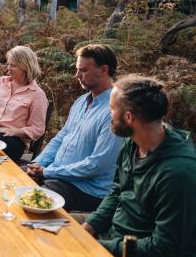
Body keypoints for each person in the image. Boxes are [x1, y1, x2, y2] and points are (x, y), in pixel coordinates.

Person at [82, 75, 196, 256]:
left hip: (133, 249)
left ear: (129, 117)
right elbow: (117, 191)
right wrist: (92, 224)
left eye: (111, 108)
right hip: (113, 231)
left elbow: (165, 247)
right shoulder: (132, 143)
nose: (108, 113)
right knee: (46, 229)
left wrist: (101, 247)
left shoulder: (177, 174)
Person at [26, 44, 123, 212]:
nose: (77, 75)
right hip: (57, 176)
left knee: (31, 201)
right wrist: (37, 164)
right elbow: (60, 138)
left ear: (104, 70)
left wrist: (47, 172)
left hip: (88, 190)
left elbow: (97, 165)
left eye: (83, 70)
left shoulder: (114, 111)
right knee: (11, 177)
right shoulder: (81, 101)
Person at [0, 46, 48, 163]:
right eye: (8, 64)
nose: (8, 68)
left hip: (12, 140)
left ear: (26, 67)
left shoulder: (37, 95)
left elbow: (38, 128)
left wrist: (15, 131)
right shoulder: (0, 82)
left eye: (13, 65)